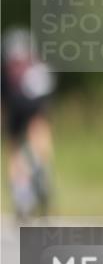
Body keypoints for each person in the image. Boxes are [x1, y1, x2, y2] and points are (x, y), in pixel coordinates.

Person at [1, 27, 57, 219]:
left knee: (37, 134)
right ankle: (23, 190)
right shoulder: (5, 77)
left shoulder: (38, 72)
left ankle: (40, 173)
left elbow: (42, 108)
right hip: (17, 111)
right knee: (15, 149)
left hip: (33, 110)